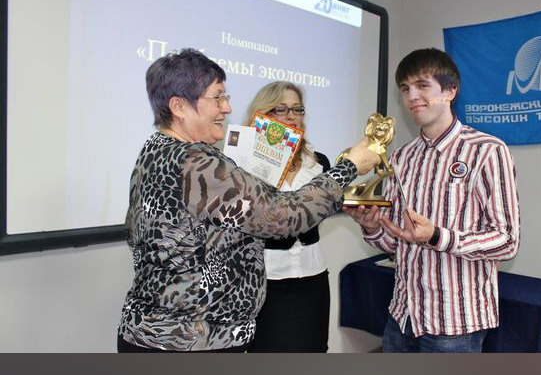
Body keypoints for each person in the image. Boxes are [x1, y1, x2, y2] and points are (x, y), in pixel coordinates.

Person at [117, 49, 379, 353]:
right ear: (179, 107)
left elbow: (135, 230)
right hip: (188, 340)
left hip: (153, 331)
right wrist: (349, 167)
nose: (227, 108)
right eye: (217, 98)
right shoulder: (197, 163)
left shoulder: (154, 150)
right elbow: (283, 217)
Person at [344, 48, 520, 353]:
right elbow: (395, 242)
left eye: (422, 85)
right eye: (405, 88)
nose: (412, 96)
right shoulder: (401, 157)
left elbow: (507, 241)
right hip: (402, 317)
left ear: (451, 91)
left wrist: (438, 236)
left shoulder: (487, 151)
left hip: (455, 325)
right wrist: (372, 227)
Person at [244, 82, 331, 353]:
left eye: (297, 109)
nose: (291, 116)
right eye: (280, 109)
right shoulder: (243, 164)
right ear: (262, 114)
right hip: (265, 281)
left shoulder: (320, 163)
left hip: (313, 278)